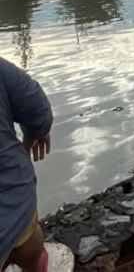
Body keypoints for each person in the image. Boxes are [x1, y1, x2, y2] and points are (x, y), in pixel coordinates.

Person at [1, 57, 53, 272]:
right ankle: (32, 257)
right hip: (14, 196)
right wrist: (34, 134)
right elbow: (38, 110)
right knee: (29, 242)